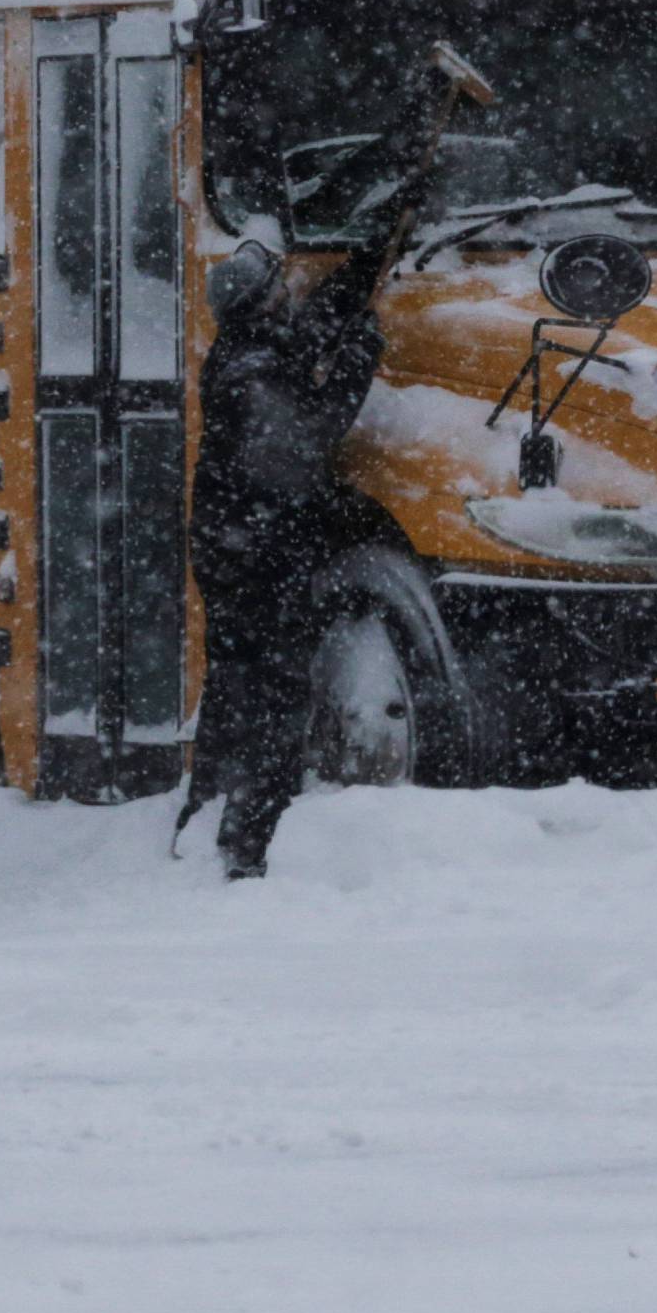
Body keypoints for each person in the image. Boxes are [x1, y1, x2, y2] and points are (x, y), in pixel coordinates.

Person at [175, 235, 387, 879]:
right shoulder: (252, 373)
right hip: (256, 555)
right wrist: (360, 359)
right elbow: (312, 432)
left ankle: (208, 815)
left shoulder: (253, 347)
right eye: (279, 289)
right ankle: (251, 840)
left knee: (236, 685)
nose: (289, 295)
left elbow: (314, 324)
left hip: (236, 545)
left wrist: (367, 263)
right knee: (270, 691)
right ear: (263, 304)